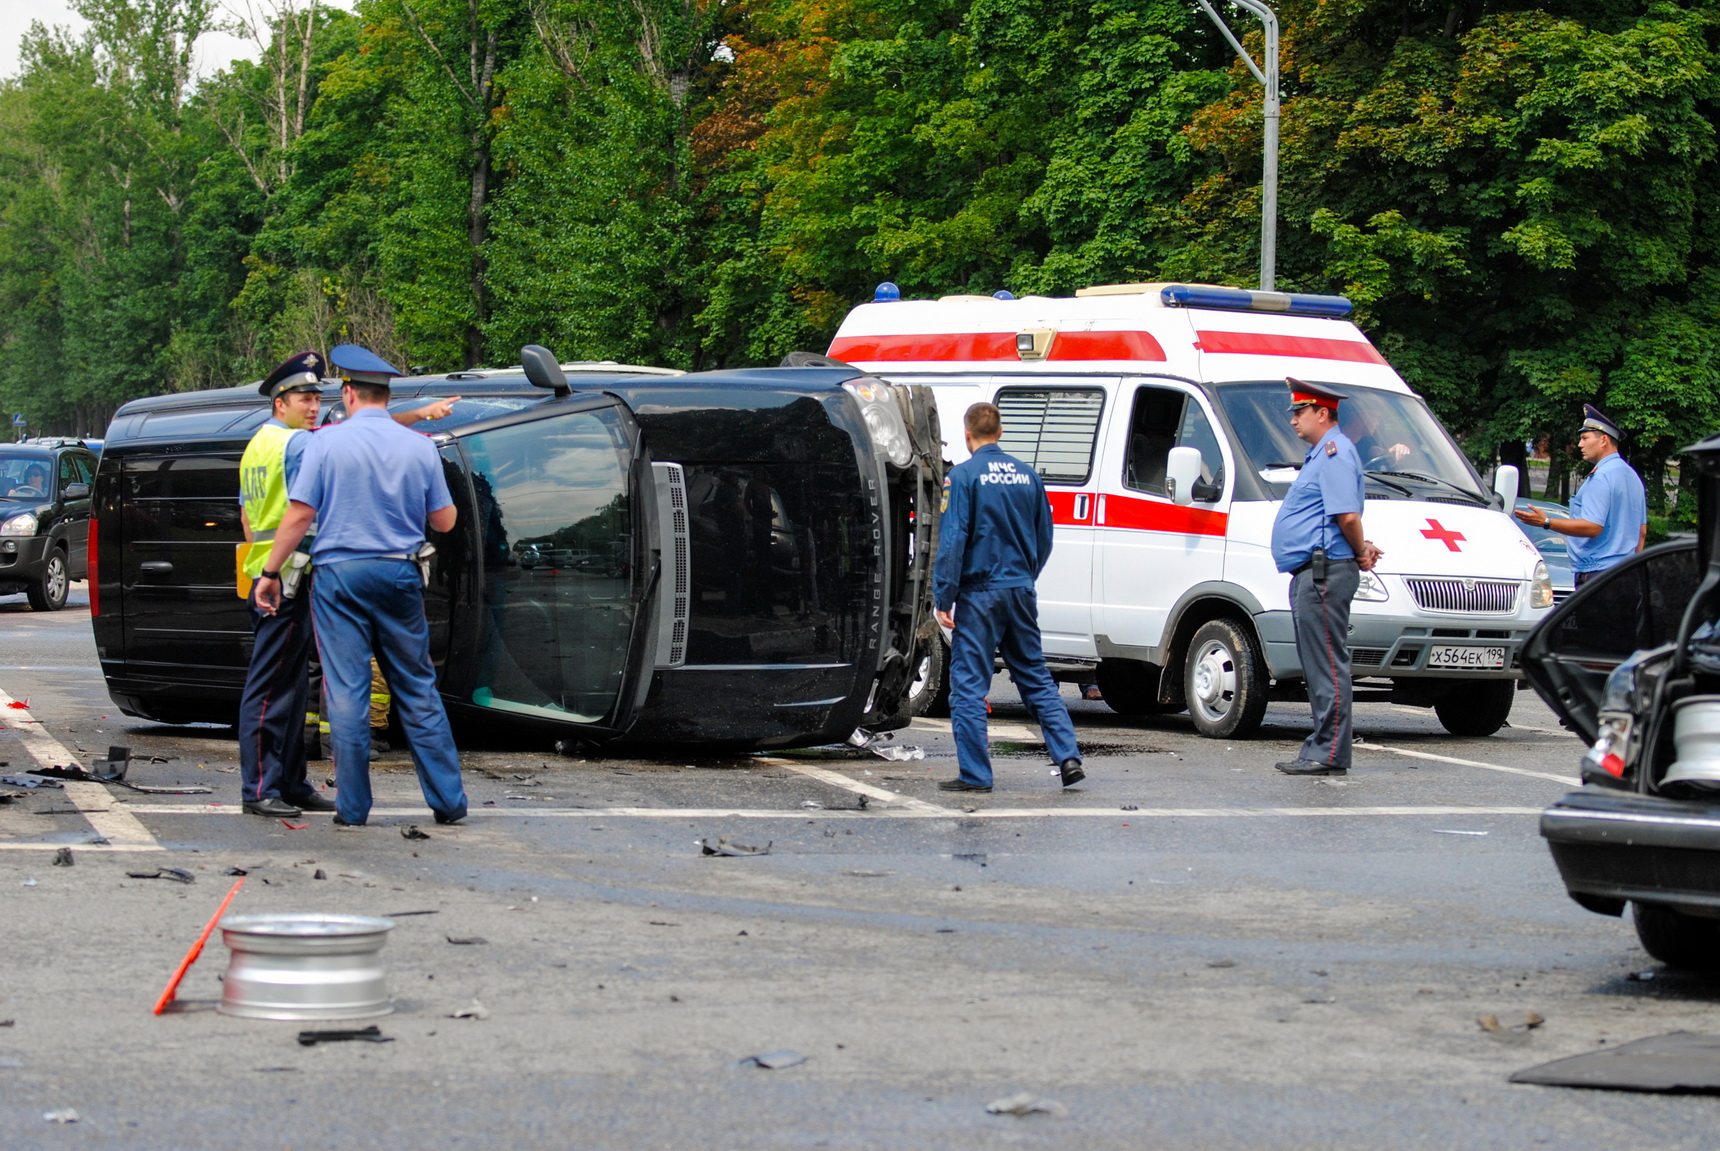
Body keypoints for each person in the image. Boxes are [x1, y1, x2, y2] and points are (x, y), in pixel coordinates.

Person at [235, 352, 458, 818]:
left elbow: (268, 515)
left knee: (326, 690)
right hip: (352, 574)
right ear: (280, 403)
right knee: (411, 687)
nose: (315, 406)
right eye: (305, 398)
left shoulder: (269, 445)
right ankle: (448, 801)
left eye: (321, 397)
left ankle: (327, 797)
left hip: (307, 574)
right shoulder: (307, 444)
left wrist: (266, 568)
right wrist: (419, 416)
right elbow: (442, 515)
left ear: (348, 393)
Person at [933, 402, 1083, 793]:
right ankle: (1068, 756)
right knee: (1035, 676)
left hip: (979, 594)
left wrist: (943, 595)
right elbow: (1044, 537)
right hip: (1019, 589)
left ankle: (976, 775)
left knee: (968, 685)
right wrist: (1024, 577)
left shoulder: (962, 477)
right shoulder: (1028, 476)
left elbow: (953, 541)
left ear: (968, 436)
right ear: (1000, 433)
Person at [1269, 380, 1383, 777]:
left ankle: (1330, 751)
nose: (1293, 420)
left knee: (1328, 667)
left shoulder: (1334, 453)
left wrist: (1357, 549)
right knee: (1318, 666)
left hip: (1324, 573)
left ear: (1323, 413)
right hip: (1316, 571)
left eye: (1299, 412)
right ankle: (1322, 747)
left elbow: (1346, 516)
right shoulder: (1322, 454)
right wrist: (1360, 547)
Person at [1513, 404, 1646, 586]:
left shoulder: (1601, 476)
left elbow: (1592, 527)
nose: (1580, 444)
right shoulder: (1631, 476)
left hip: (1598, 574)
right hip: (1627, 572)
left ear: (1604, 440)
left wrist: (1546, 522)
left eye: (1585, 438)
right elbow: (1642, 532)